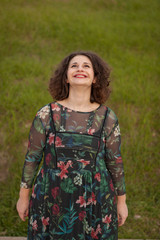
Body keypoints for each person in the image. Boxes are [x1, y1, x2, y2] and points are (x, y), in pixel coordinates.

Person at [17, 51, 128, 239]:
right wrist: (23, 197)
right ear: (66, 77)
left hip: (96, 201)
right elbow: (32, 158)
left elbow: (115, 162)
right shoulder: (46, 114)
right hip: (51, 200)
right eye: (74, 65)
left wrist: (121, 202)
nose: (80, 69)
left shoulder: (107, 118)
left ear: (95, 78)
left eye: (86, 66)